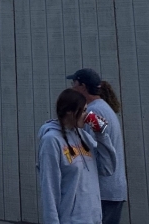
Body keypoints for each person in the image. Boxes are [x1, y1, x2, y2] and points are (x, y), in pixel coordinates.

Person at [37, 88, 117, 224]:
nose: (87, 115)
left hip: (93, 219)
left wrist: (101, 135)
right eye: (84, 110)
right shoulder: (51, 140)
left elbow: (107, 168)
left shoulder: (84, 137)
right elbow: (50, 190)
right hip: (71, 219)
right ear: (70, 111)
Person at [69, 69, 126, 224]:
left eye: (73, 83)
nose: (72, 88)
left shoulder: (93, 112)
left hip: (102, 191)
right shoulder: (103, 108)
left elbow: (89, 152)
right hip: (110, 189)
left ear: (82, 86)